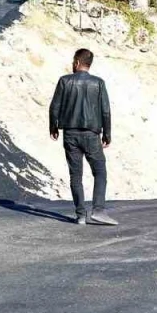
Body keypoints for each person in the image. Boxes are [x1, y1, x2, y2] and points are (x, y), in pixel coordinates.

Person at [49, 48, 117, 226]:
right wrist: (107, 134)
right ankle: (98, 211)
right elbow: (105, 110)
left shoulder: (64, 81)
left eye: (73, 61)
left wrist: (53, 127)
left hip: (70, 134)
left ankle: (80, 215)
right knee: (100, 171)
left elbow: (54, 106)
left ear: (77, 62)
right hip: (91, 134)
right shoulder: (98, 83)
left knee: (75, 175)